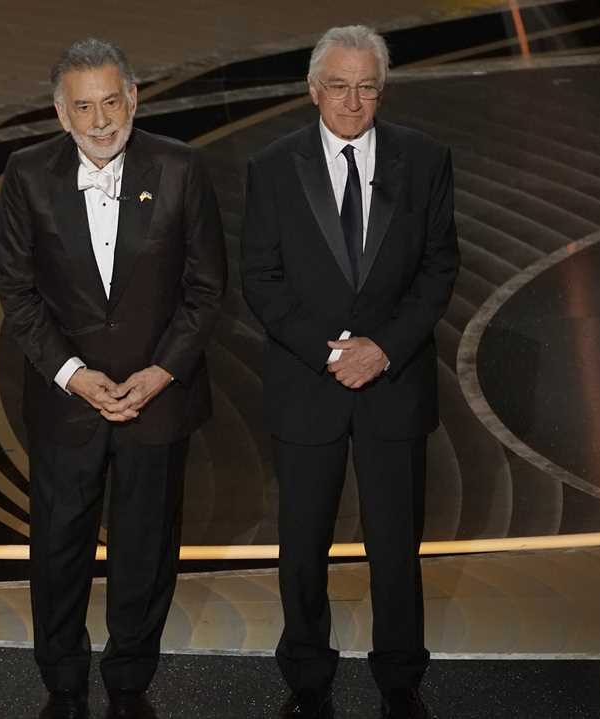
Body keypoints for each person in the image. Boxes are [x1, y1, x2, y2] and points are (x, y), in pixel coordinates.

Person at [0, 37, 227, 719]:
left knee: (145, 546)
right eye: (83, 106)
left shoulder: (181, 168)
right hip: (67, 401)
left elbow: (206, 287)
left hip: (158, 398)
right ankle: (62, 678)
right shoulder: (27, 173)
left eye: (111, 101)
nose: (100, 120)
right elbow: (17, 290)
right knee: (59, 543)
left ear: (135, 98)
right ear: (60, 114)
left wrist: (161, 371)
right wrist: (72, 374)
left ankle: (130, 675)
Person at [240, 24, 458, 719]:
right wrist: (329, 350)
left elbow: (438, 268)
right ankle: (306, 667)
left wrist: (383, 349)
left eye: (367, 86)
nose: (353, 100)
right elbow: (260, 276)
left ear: (382, 90)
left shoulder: (424, 160)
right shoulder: (272, 166)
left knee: (396, 542)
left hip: (393, 382)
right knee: (302, 540)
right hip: (309, 383)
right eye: (339, 85)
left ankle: (400, 670)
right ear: (314, 90)